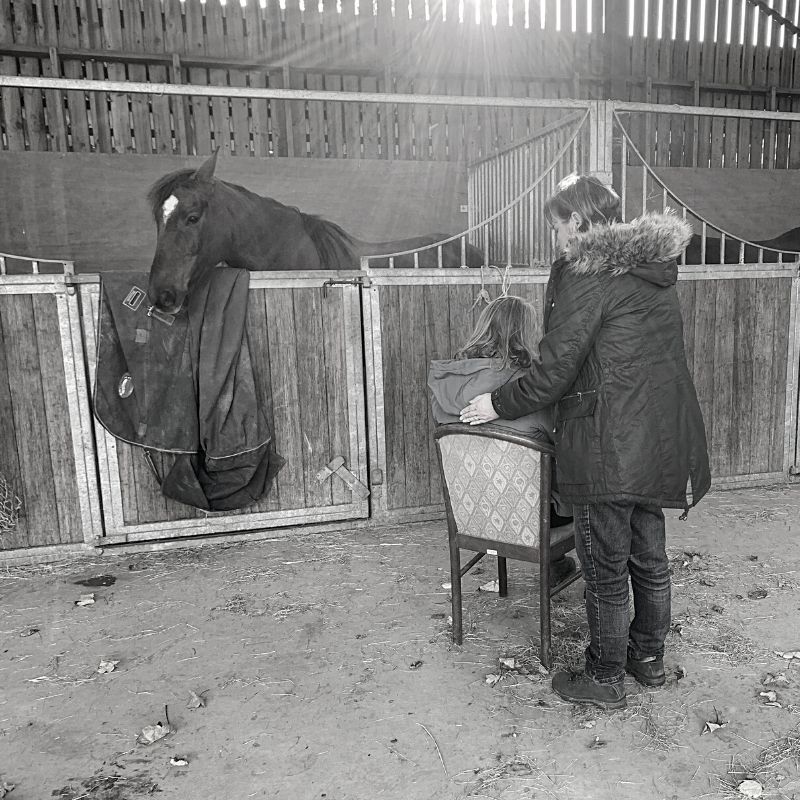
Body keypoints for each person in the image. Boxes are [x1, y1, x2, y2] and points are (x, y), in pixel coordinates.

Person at [459, 174, 711, 710]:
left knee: (605, 566)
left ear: (575, 221)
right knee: (650, 556)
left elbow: (555, 371)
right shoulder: (652, 270)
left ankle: (604, 677)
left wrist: (496, 403)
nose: (554, 240)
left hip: (606, 438)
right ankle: (648, 659)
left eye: (555, 227)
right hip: (657, 434)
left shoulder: (585, 270)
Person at [427, 294, 576, 584]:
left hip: (472, 514)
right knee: (592, 494)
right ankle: (599, 586)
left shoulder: (447, 386)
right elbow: (565, 448)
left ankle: (555, 566)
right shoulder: (530, 391)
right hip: (534, 519)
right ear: (527, 334)